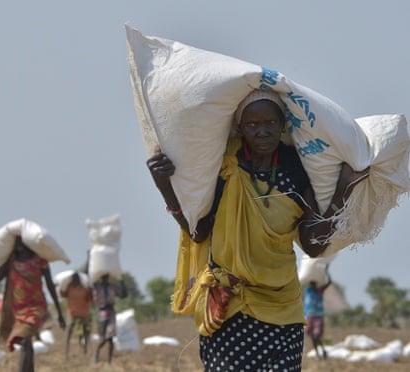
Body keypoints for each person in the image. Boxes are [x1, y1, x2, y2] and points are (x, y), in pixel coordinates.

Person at [146, 89, 369, 371]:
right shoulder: (224, 164)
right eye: (252, 125)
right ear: (240, 128)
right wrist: (164, 185)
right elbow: (199, 231)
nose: (262, 131)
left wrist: (342, 192)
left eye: (270, 124)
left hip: (282, 306)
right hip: (231, 303)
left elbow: (313, 246)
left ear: (283, 126)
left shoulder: (296, 167)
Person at [0, 235, 66, 372]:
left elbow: (50, 285)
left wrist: (60, 313)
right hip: (17, 310)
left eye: (22, 243)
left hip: (36, 307)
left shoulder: (39, 260)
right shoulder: (11, 261)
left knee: (24, 340)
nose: (19, 246)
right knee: (26, 342)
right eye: (16, 243)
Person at [91, 274, 128, 364]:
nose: (105, 279)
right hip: (101, 313)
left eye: (106, 277)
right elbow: (90, 278)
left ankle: (109, 361)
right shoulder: (97, 287)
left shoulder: (112, 287)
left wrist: (122, 282)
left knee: (110, 339)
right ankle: (96, 354)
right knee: (102, 339)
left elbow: (123, 295)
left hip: (111, 312)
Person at [59, 272, 92, 359]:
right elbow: (63, 294)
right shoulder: (69, 287)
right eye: (74, 279)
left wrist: (90, 290)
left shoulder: (84, 288)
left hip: (83, 312)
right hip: (72, 313)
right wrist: (61, 288)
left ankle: (84, 349)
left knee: (84, 332)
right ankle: (66, 353)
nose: (75, 281)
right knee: (69, 332)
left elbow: (90, 298)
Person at [304, 266, 332, 360]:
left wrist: (326, 271)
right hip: (309, 316)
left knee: (316, 335)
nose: (313, 286)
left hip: (318, 317)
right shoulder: (307, 291)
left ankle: (322, 351)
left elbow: (329, 282)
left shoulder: (319, 291)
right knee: (312, 336)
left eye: (314, 284)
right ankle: (319, 354)